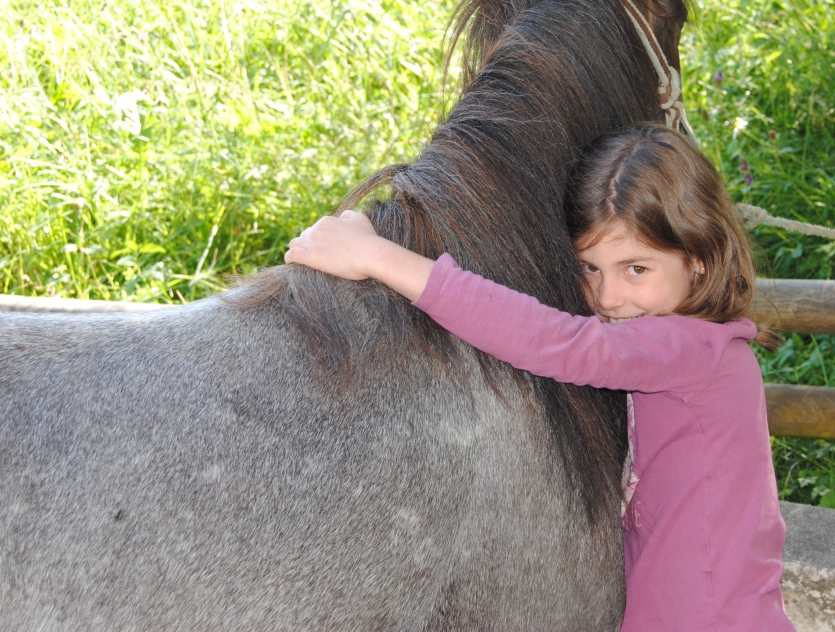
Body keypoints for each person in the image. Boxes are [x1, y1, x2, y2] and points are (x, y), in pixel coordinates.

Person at [285, 123, 797, 631]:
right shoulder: (701, 347)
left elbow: (558, 343)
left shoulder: (693, 349)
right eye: (590, 268)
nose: (608, 296)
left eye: (636, 269)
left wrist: (378, 257)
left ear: (699, 260)